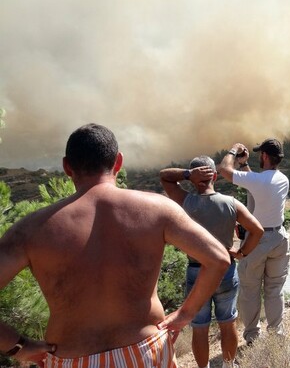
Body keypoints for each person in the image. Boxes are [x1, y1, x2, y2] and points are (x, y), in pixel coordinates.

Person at [0, 124, 230, 367]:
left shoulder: (31, 229)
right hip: (145, 353)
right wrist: (185, 314)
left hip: (71, 358)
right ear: (118, 162)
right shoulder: (157, 209)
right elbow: (218, 258)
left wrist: (19, 346)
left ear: (67, 167)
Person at [159, 156, 264, 368]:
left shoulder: (185, 201)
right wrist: (242, 253)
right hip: (225, 269)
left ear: (194, 179)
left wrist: (188, 175)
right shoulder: (231, 203)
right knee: (228, 322)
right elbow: (257, 230)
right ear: (215, 176)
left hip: (196, 271)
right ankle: (227, 365)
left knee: (199, 326)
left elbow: (165, 177)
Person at [218, 138, 289, 345]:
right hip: (279, 237)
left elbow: (224, 170)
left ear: (265, 156)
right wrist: (243, 164)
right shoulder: (282, 179)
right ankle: (276, 336)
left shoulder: (258, 181)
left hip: (257, 240)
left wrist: (233, 150)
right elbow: (255, 184)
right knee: (275, 290)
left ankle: (253, 338)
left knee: (250, 291)